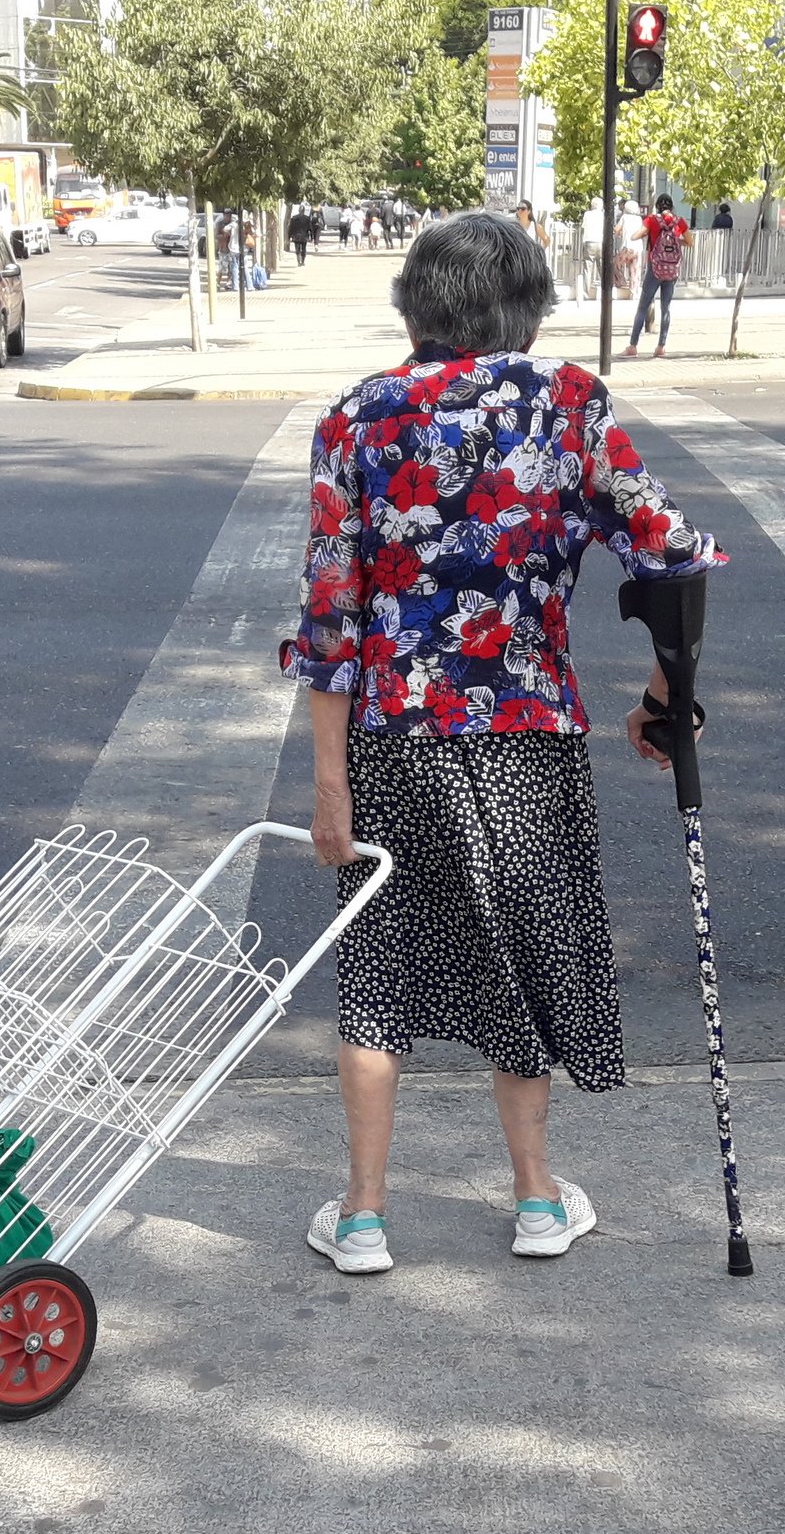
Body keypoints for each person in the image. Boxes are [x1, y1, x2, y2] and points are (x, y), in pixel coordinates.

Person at [279, 212, 726, 1273]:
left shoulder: (358, 419)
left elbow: (330, 620)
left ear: (416, 301)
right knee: (522, 963)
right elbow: (673, 554)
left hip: (395, 738)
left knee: (377, 967)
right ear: (526, 303)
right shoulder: (570, 406)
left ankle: (364, 1215)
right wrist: (668, 695)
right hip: (528, 734)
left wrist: (329, 788)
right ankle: (534, 1201)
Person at [623, 193, 688, 359]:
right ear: (672, 206)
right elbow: (690, 242)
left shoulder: (652, 220)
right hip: (671, 270)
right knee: (666, 308)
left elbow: (635, 236)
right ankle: (661, 347)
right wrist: (675, 240)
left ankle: (633, 346)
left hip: (655, 268)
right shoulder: (679, 221)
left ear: (658, 206)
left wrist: (652, 235)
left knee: (643, 307)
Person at [614, 198, 644, 303]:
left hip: (627, 247)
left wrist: (618, 234)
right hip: (638, 248)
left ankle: (620, 281)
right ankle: (634, 294)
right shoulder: (639, 219)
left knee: (615, 263)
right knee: (635, 271)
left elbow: (617, 229)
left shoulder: (624, 217)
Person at [580, 195, 606, 299]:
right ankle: (605, 291)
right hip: (601, 242)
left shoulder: (587, 214)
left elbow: (583, 227)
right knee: (602, 268)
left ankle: (586, 293)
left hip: (589, 242)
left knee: (587, 268)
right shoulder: (603, 215)